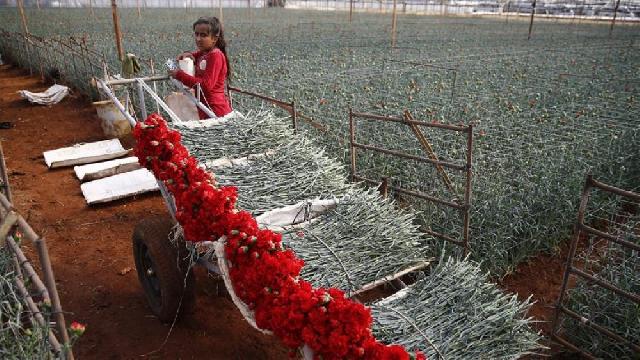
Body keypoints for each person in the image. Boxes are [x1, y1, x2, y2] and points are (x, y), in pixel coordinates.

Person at [169, 16, 232, 119]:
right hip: (206, 110)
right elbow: (196, 55)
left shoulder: (215, 55)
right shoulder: (204, 53)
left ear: (214, 38)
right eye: (196, 34)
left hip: (216, 112)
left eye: (203, 35)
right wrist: (186, 54)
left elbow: (206, 86)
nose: (198, 39)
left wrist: (179, 75)